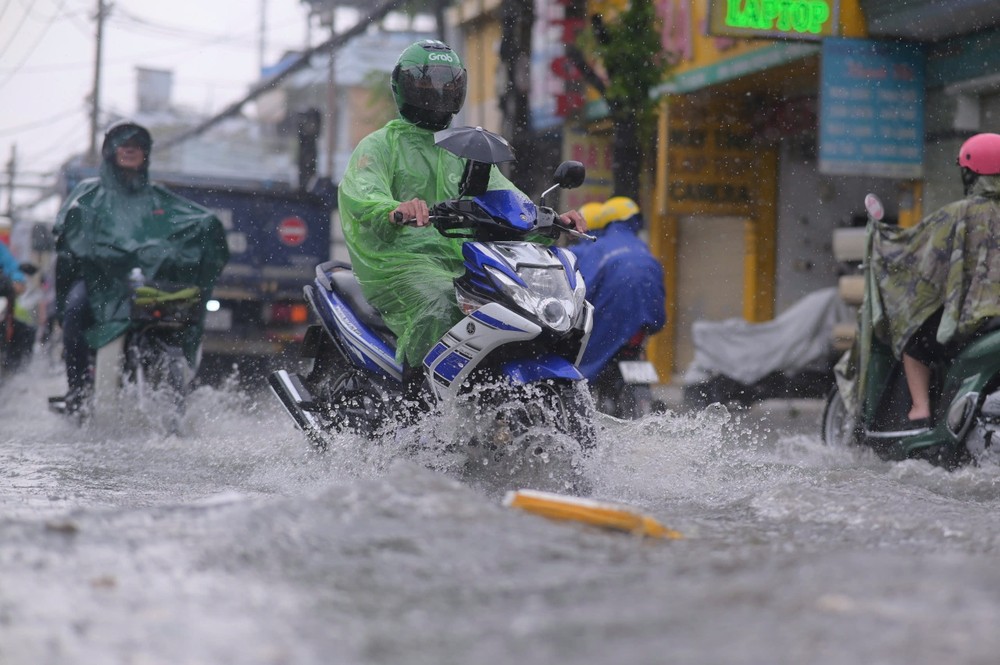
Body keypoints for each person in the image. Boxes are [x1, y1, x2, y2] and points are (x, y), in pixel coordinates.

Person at [337, 39, 586, 386]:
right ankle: (418, 409)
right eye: (425, 84)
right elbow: (362, 192)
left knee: (503, 309)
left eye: (446, 85)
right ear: (401, 86)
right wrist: (396, 209)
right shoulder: (381, 145)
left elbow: (507, 197)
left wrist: (550, 219)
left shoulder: (464, 149)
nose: (436, 93)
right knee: (443, 307)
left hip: (463, 259)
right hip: (400, 262)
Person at [52, 120, 230, 413]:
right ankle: (78, 391)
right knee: (74, 311)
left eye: (137, 145)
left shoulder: (157, 197)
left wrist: (207, 228)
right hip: (99, 284)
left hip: (144, 284)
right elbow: (68, 228)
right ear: (110, 150)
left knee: (180, 310)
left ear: (146, 153)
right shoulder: (88, 193)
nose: (130, 149)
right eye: (123, 144)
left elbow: (195, 221)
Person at [873, 132, 1000, 427]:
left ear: (970, 174)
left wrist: (879, 238)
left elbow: (914, 250)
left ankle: (920, 410)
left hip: (979, 320)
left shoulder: (960, 214)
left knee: (914, 341)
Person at [569, 196, 666, 383]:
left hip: (611, 323)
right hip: (644, 322)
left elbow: (583, 292)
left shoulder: (595, 249)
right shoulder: (640, 246)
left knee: (582, 373)